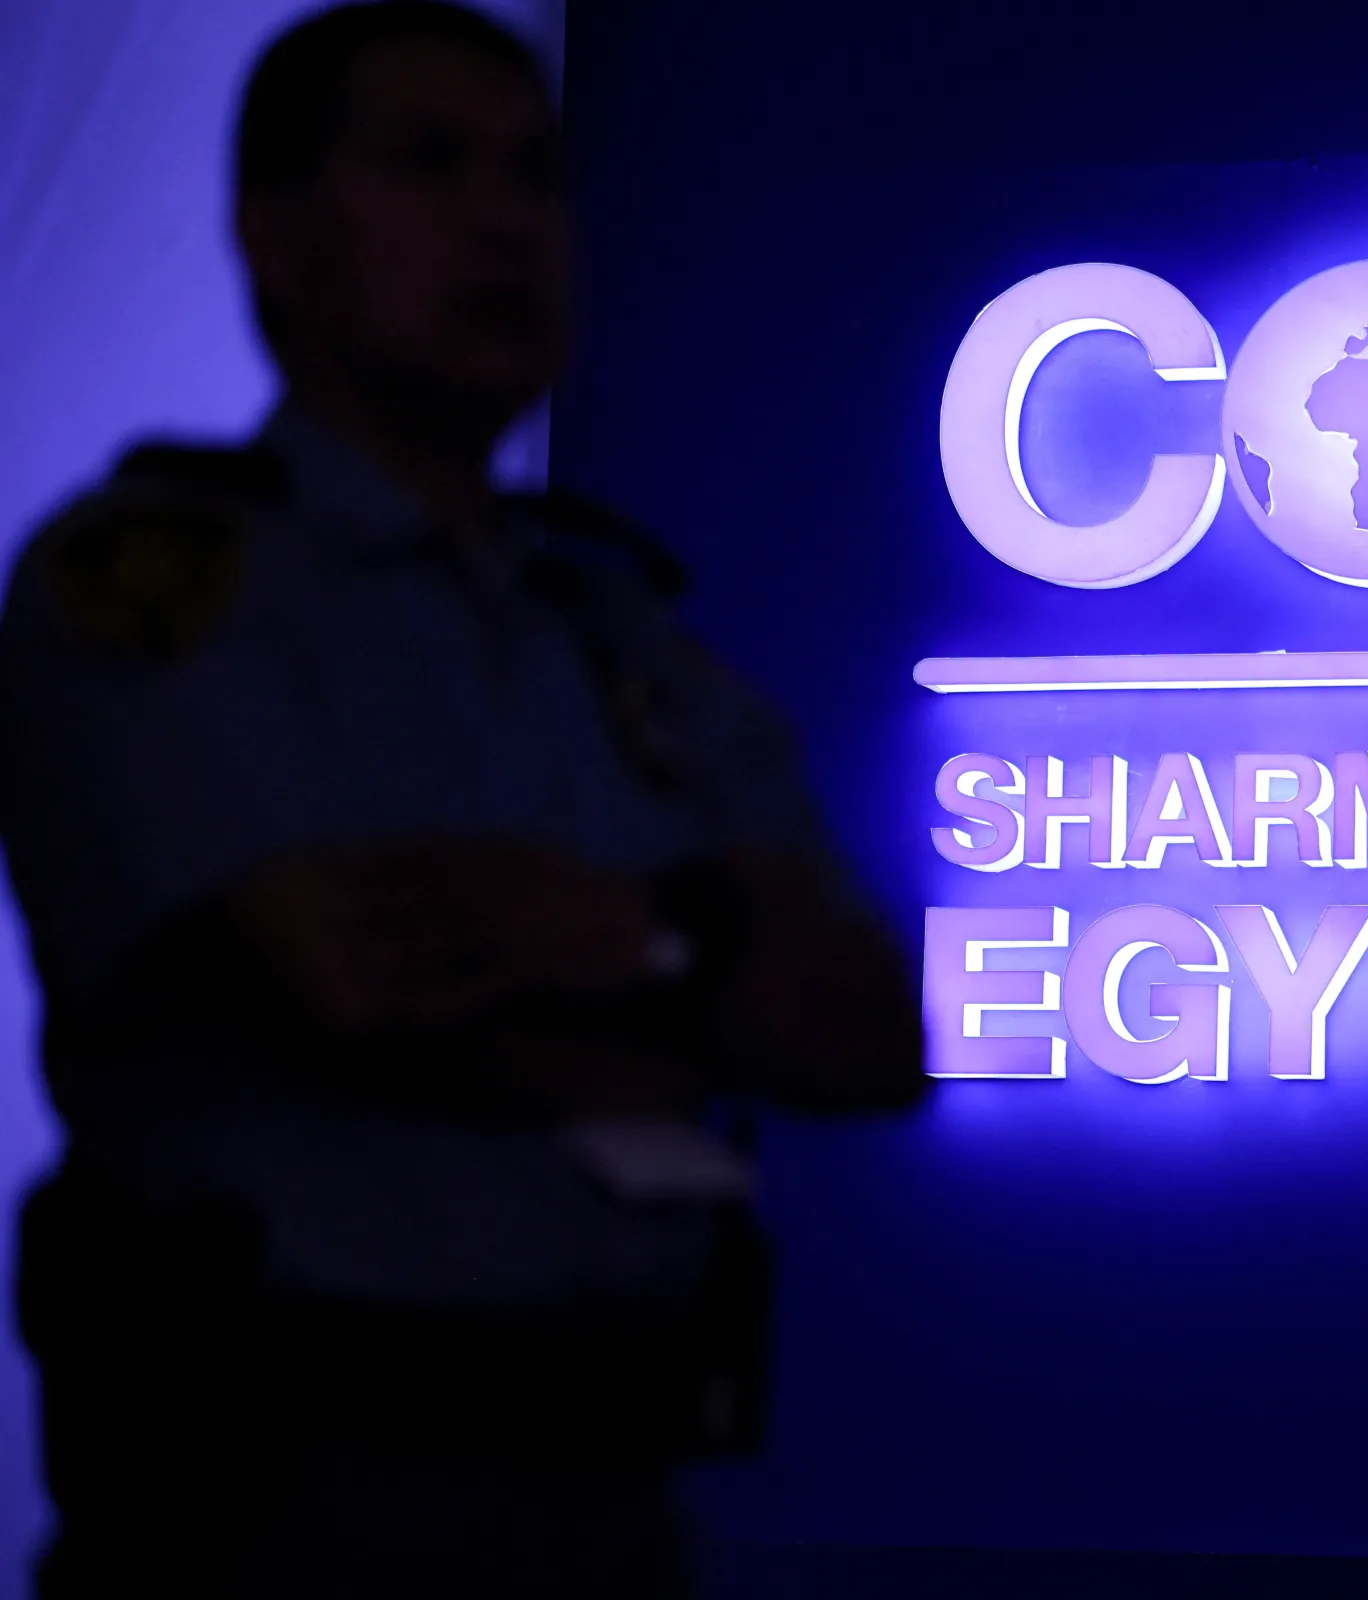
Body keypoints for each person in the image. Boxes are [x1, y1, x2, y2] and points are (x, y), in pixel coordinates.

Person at [0, 3, 926, 1594]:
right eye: (428, 165)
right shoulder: (158, 588)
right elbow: (366, 984)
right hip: (276, 1516)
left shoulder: (616, 632)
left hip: (618, 1508)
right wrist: (709, 977)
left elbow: (872, 1034)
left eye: (534, 175)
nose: (502, 222)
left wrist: (631, 945)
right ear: (276, 236)